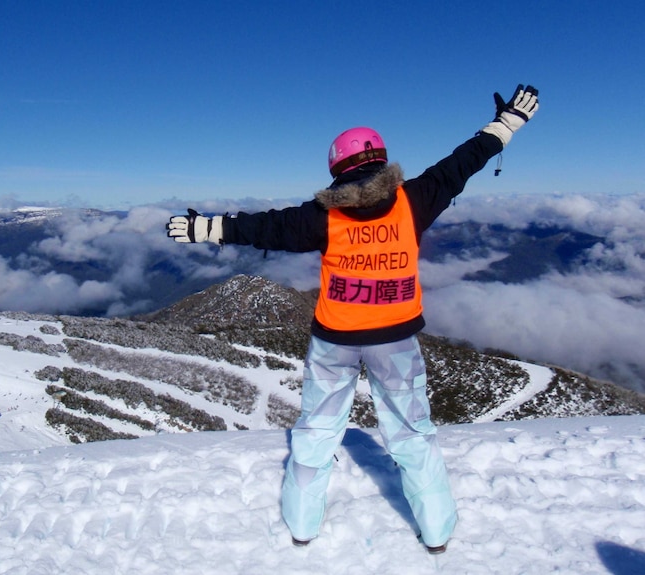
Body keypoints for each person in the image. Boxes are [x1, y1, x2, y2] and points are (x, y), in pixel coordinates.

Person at [166, 85, 539, 553]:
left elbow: (266, 227)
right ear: (383, 160)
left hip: (334, 341)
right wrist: (507, 125)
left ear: (336, 170)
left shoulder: (324, 216)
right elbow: (462, 164)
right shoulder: (415, 200)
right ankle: (438, 532)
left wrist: (205, 228)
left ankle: (302, 526)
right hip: (397, 342)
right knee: (413, 437)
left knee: (317, 433)